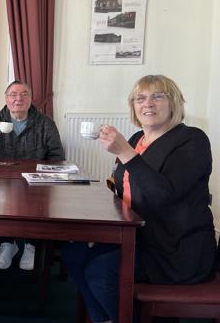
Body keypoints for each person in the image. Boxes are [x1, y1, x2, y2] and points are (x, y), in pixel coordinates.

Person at [62, 75, 216, 323]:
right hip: (138, 238)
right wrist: (99, 231)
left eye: (158, 96)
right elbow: (119, 192)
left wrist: (124, 152)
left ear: (174, 102)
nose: (148, 103)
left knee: (101, 274)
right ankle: (106, 319)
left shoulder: (192, 140)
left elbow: (164, 195)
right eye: (140, 98)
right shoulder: (136, 140)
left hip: (175, 250)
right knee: (73, 254)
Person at [0, 81, 64, 270]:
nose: (18, 98)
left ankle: (31, 245)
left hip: (34, 181)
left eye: (24, 94)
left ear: (30, 98)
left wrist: (43, 176)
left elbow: (57, 157)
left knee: (40, 202)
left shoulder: (45, 123)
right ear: (6, 98)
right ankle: (6, 244)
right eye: (13, 94)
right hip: (0, 180)